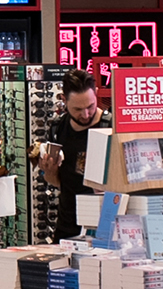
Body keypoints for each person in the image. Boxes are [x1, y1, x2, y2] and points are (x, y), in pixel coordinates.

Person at [39, 68, 112, 244]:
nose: (85, 114)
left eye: (90, 106)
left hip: (105, 223)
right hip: (68, 223)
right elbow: (61, 183)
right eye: (78, 109)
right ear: (64, 100)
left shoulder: (110, 127)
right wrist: (50, 173)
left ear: (96, 94)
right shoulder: (57, 129)